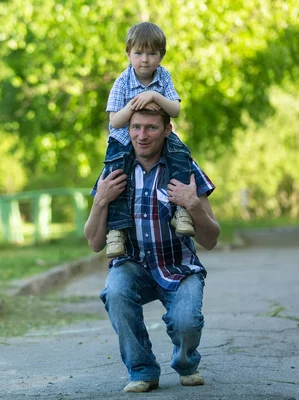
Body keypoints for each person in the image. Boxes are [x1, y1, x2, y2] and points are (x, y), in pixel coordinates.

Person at [84, 109, 220, 393]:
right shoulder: (115, 169)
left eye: (151, 128)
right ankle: (142, 370)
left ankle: (186, 364)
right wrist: (101, 201)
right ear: (128, 130)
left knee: (186, 322)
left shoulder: (184, 169)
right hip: (132, 265)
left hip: (179, 267)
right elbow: (95, 243)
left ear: (168, 130)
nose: (142, 136)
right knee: (115, 292)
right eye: (135, 128)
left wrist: (192, 205)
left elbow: (211, 239)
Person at [103, 21, 195, 259]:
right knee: (116, 178)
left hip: (157, 137)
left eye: (152, 53)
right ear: (128, 54)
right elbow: (115, 121)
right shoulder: (122, 81)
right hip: (124, 138)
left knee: (180, 155)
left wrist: (153, 95)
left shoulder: (163, 77)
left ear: (161, 56)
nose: (145, 59)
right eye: (139, 53)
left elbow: (174, 110)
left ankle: (181, 211)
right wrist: (133, 106)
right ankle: (116, 230)